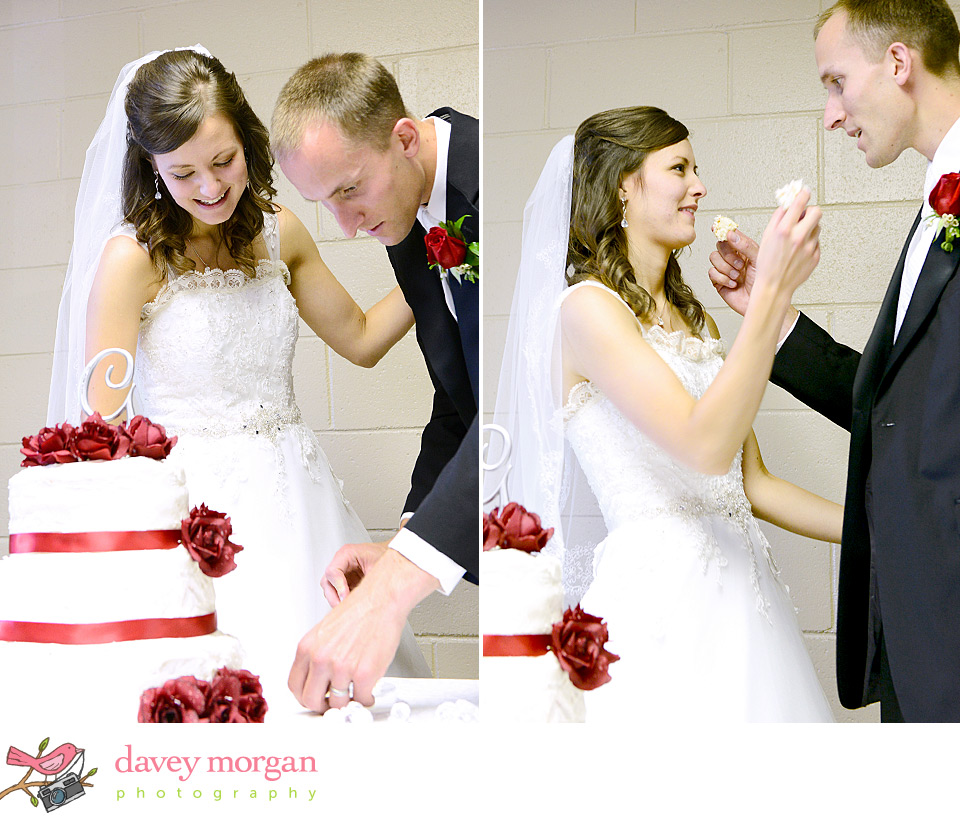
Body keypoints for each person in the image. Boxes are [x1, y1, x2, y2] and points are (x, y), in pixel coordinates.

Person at [46, 46, 431, 713]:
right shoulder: (131, 260)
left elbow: (364, 338)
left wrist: (441, 264)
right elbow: (99, 433)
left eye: (224, 160)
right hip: (193, 516)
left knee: (346, 693)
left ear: (247, 140)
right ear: (151, 166)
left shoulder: (282, 232)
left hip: (297, 496)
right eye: (183, 172)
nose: (210, 187)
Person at [495, 106, 841, 721]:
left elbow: (750, 484)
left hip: (746, 599)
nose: (699, 187)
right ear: (622, 186)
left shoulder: (698, 320)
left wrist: (876, 528)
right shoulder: (587, 311)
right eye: (679, 168)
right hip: (662, 604)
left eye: (695, 169)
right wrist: (771, 293)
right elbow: (701, 445)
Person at [709, 0, 960, 723]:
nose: (831, 115)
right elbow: (901, 407)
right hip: (922, 625)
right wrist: (774, 315)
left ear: (898, 62)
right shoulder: (934, 207)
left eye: (836, 82)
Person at [272, 53, 478, 712]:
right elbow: (461, 397)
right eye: (324, 203)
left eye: (349, 190)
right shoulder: (406, 206)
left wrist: (395, 586)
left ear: (405, 138)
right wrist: (403, 542)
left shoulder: (497, 188)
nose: (347, 226)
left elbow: (511, 410)